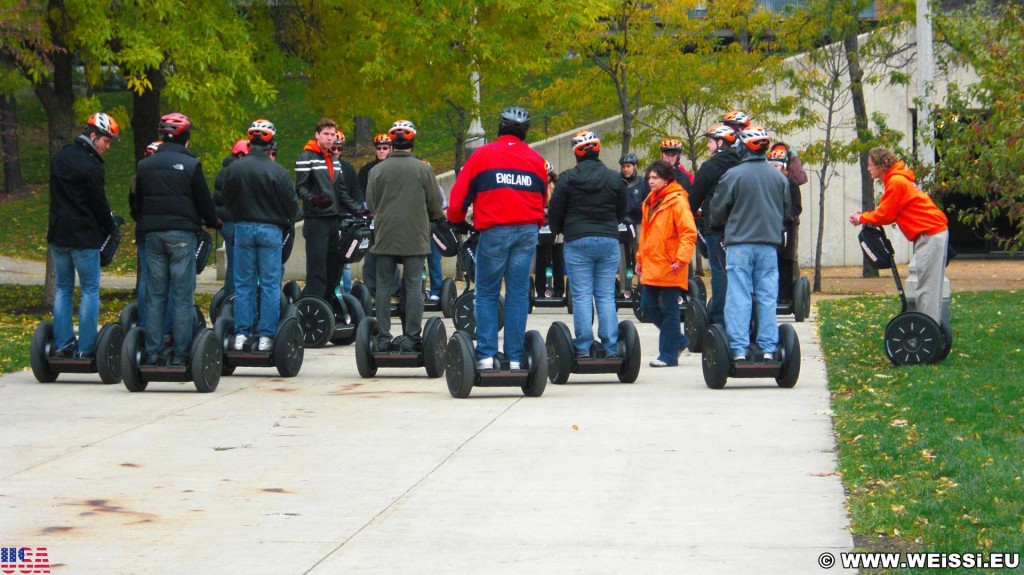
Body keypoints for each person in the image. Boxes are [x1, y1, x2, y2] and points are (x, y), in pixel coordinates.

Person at [447, 106, 547, 371]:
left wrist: (456, 220)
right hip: (527, 232)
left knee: (487, 293)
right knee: (517, 294)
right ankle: (515, 358)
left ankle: (486, 355)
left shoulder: (482, 155)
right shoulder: (536, 160)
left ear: (500, 127)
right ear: (525, 131)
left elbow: (458, 199)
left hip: (495, 231)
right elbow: (542, 199)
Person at [134, 112, 220, 366]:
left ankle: (152, 353)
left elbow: (137, 205)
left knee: (156, 295)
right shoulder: (191, 165)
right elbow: (204, 201)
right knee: (182, 296)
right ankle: (181, 355)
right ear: (185, 138)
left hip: (153, 235)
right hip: (181, 235)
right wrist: (213, 221)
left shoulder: (144, 166)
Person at [709, 126, 790, 362]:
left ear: (743, 148)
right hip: (768, 246)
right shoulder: (778, 177)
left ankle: (738, 350)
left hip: (739, 246)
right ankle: (767, 348)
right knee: (767, 296)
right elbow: (785, 211)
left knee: (739, 297)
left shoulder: (733, 175)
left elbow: (717, 212)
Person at [365, 120, 444, 348]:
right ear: (412, 142)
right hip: (415, 236)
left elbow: (371, 203)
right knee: (413, 286)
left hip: (385, 235)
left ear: (392, 144)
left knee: (383, 286)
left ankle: (383, 337)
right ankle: (412, 336)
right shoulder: (423, 169)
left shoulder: (376, 170)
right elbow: (435, 204)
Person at [849, 147, 949, 324]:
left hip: (929, 234)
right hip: (933, 232)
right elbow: (887, 211)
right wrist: (866, 217)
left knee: (926, 289)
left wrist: (861, 218)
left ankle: (926, 331)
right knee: (930, 286)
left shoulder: (896, 182)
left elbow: (885, 215)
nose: (868, 168)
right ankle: (931, 329)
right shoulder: (899, 179)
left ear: (881, 166)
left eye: (871, 165)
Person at [548, 131, 626, 357]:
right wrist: (610, 224)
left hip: (577, 239)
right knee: (605, 295)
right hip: (608, 239)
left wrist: (560, 229)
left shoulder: (567, 179)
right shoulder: (614, 178)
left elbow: (555, 211)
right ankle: (611, 347)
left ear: (577, 154)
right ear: (598, 150)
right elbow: (621, 210)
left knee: (581, 295)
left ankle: (583, 347)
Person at [47, 112, 118, 359]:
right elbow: (98, 203)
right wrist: (110, 225)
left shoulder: (60, 157)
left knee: (63, 289)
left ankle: (63, 343)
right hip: (84, 238)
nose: (107, 147)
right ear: (93, 136)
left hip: (58, 235)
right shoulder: (92, 165)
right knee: (89, 290)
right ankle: (86, 348)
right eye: (106, 141)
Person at [223, 119, 299, 351]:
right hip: (270, 230)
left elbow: (226, 198)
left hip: (243, 228)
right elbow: (292, 207)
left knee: (243, 283)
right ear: (270, 145)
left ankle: (241, 335)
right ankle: (266, 336)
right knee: (269, 284)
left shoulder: (234, 168)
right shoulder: (277, 171)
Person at [636, 161, 697, 367]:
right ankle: (678, 340)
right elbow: (646, 234)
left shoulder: (677, 201)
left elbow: (688, 232)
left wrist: (681, 258)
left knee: (670, 309)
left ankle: (668, 355)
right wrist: (639, 258)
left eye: (655, 178)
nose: (651, 181)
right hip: (652, 262)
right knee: (647, 305)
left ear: (666, 179)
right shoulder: (649, 201)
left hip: (671, 263)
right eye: (649, 178)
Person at [294, 118, 361, 303]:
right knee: (317, 268)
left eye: (332, 135)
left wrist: (358, 210)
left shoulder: (333, 159)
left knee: (336, 264)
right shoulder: (306, 157)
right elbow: (300, 187)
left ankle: (329, 301)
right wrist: (313, 199)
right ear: (317, 135)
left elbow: (341, 192)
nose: (330, 138)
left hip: (334, 219)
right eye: (326, 134)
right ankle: (314, 303)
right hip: (316, 219)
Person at [688, 124, 741, 326]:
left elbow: (694, 199)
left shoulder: (710, 167)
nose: (708, 146)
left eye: (710, 142)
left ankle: (719, 318)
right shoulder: (743, 163)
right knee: (740, 273)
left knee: (720, 272)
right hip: (741, 229)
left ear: (720, 143)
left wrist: (696, 211)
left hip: (716, 228)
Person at [128, 141, 167, 330]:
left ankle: (144, 322)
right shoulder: (159, 180)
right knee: (163, 280)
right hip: (157, 232)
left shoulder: (136, 180)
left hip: (143, 232)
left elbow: (133, 211)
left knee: (146, 278)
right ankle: (163, 324)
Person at [767, 142, 807, 304]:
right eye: (771, 166)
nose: (774, 169)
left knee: (786, 261)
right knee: (771, 260)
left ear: (783, 166)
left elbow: (797, 206)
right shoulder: (766, 183)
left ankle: (786, 296)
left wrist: (787, 217)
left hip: (787, 227)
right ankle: (771, 294)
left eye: (776, 166)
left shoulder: (790, 182)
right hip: (770, 227)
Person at [213, 138, 250, 296]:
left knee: (234, 266)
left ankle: (230, 299)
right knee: (237, 267)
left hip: (227, 223)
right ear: (241, 155)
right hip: (234, 223)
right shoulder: (236, 173)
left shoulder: (225, 171)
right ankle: (232, 299)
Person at [358, 134, 393, 297]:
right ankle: (370, 290)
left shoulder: (395, 168)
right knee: (370, 256)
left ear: (391, 149)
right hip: (372, 218)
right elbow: (362, 195)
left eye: (385, 148)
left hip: (391, 219)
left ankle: (393, 290)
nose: (381, 151)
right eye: (378, 148)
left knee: (391, 256)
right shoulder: (367, 170)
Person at [330, 131, 364, 294]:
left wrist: (357, 211)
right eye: (333, 148)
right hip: (327, 219)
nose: (335, 151)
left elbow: (356, 193)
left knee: (346, 262)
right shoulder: (322, 167)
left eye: (338, 148)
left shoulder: (347, 169)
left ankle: (347, 294)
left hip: (345, 220)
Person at [534, 161, 564, 298]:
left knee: (557, 258)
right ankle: (540, 290)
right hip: (540, 223)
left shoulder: (557, 185)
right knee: (540, 259)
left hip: (554, 225)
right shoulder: (535, 185)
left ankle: (559, 289)